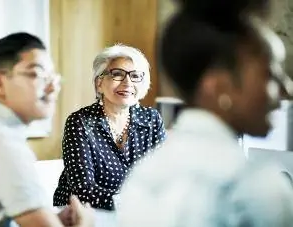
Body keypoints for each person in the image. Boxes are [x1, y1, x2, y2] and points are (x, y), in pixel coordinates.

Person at [116, 0, 293, 226]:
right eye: (270, 73)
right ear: (219, 87)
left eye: (134, 76)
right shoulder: (261, 191)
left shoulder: (140, 180)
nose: (287, 88)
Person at [0, 32, 92, 227]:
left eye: (53, 78)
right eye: (37, 74)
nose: (52, 88)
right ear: (0, 83)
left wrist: (53, 220)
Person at [53, 44, 166, 211]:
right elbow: (83, 190)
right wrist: (132, 203)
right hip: (82, 215)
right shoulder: (80, 122)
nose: (127, 82)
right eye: (117, 74)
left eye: (135, 76)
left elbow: (164, 176)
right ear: (99, 82)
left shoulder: (151, 119)